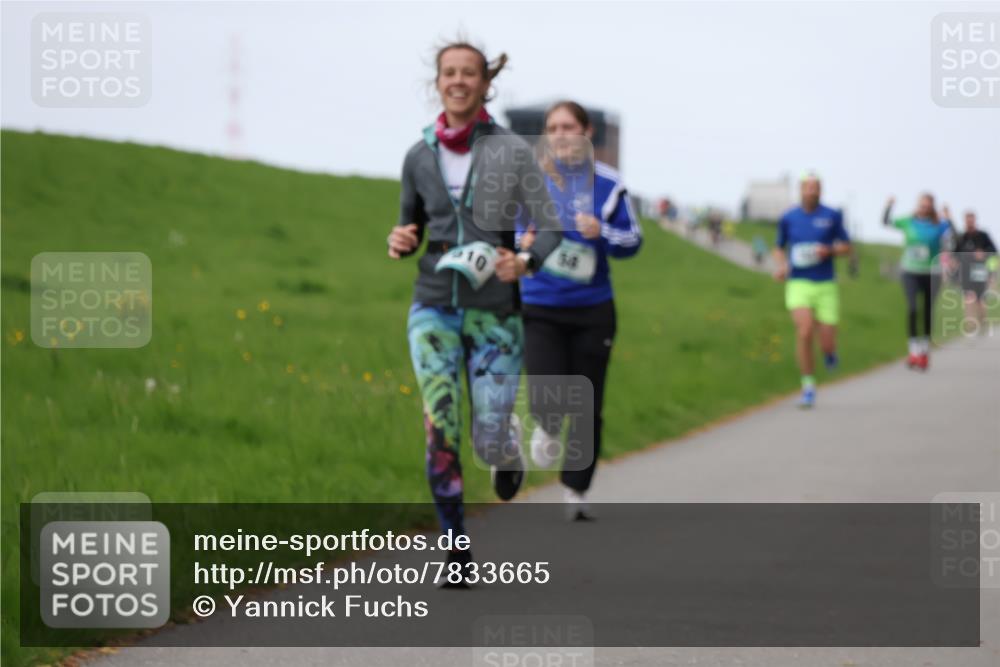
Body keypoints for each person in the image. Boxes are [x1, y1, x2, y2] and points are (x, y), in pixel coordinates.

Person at [387, 41, 560, 583]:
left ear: (486, 84)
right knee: (440, 430)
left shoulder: (512, 151)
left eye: (469, 74)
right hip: (433, 306)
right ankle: (455, 551)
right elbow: (410, 228)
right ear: (436, 82)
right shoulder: (418, 156)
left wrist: (526, 261)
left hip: (495, 314)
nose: (458, 81)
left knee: (486, 435)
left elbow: (550, 226)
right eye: (449, 73)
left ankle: (505, 450)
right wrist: (400, 240)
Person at [517, 101, 642, 520]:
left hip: (592, 309)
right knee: (547, 394)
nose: (560, 133)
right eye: (553, 127)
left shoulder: (608, 183)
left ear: (586, 132)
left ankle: (575, 490)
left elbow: (632, 241)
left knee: (588, 405)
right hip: (539, 305)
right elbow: (513, 230)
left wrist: (600, 231)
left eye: (568, 126)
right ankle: (548, 424)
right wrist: (524, 242)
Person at [772, 172, 851, 408]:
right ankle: (808, 387)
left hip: (826, 283)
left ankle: (829, 353)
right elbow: (778, 247)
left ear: (821, 191)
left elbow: (846, 246)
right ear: (801, 190)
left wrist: (830, 251)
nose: (811, 191)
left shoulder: (832, 215)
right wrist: (782, 265)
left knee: (826, 342)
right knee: (805, 330)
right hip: (799, 283)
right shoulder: (789, 217)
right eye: (807, 187)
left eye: (815, 187)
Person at [882, 194, 954, 369]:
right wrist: (889, 206)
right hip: (910, 271)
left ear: (931, 208)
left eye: (927, 206)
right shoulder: (908, 221)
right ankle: (913, 350)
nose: (923, 209)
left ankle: (924, 350)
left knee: (928, 310)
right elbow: (886, 222)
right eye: (921, 205)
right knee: (913, 308)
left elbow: (954, 240)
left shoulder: (939, 224)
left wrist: (950, 218)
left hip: (932, 273)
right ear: (917, 206)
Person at [952, 210, 997, 334]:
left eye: (971, 220)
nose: (969, 223)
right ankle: (971, 323)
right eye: (967, 221)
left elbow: (993, 250)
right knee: (968, 297)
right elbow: (955, 253)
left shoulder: (983, 235)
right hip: (966, 271)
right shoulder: (961, 237)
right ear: (965, 221)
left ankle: (982, 321)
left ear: (975, 220)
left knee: (981, 298)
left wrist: (983, 253)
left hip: (980, 270)